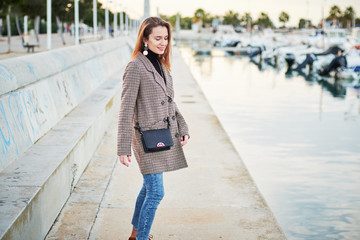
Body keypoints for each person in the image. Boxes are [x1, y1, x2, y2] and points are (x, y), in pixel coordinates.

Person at [117, 17, 190, 240]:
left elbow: (170, 102)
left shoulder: (162, 64)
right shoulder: (135, 67)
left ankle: (135, 234)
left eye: (166, 38)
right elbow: (126, 109)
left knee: (148, 188)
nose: (163, 43)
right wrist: (123, 147)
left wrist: (183, 126)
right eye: (157, 38)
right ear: (145, 39)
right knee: (157, 192)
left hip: (162, 135)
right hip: (145, 138)